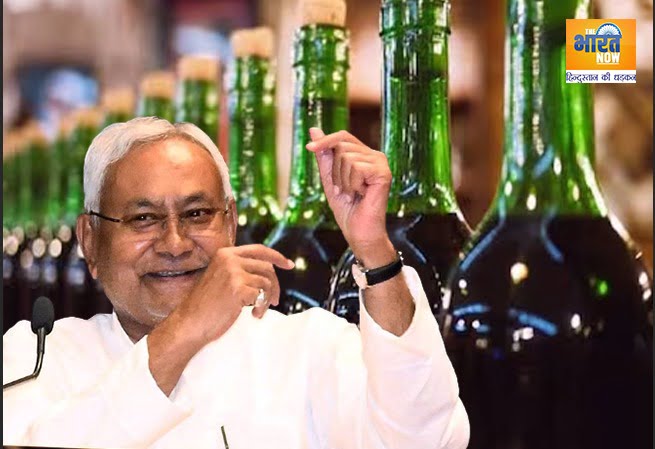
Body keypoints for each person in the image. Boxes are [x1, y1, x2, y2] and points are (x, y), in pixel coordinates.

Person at [3, 117, 469, 448]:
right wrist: (186, 328)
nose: (175, 243)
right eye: (143, 218)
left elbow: (426, 438)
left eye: (197, 214)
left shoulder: (307, 348)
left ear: (230, 223)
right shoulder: (41, 356)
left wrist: (375, 251)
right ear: (90, 241)